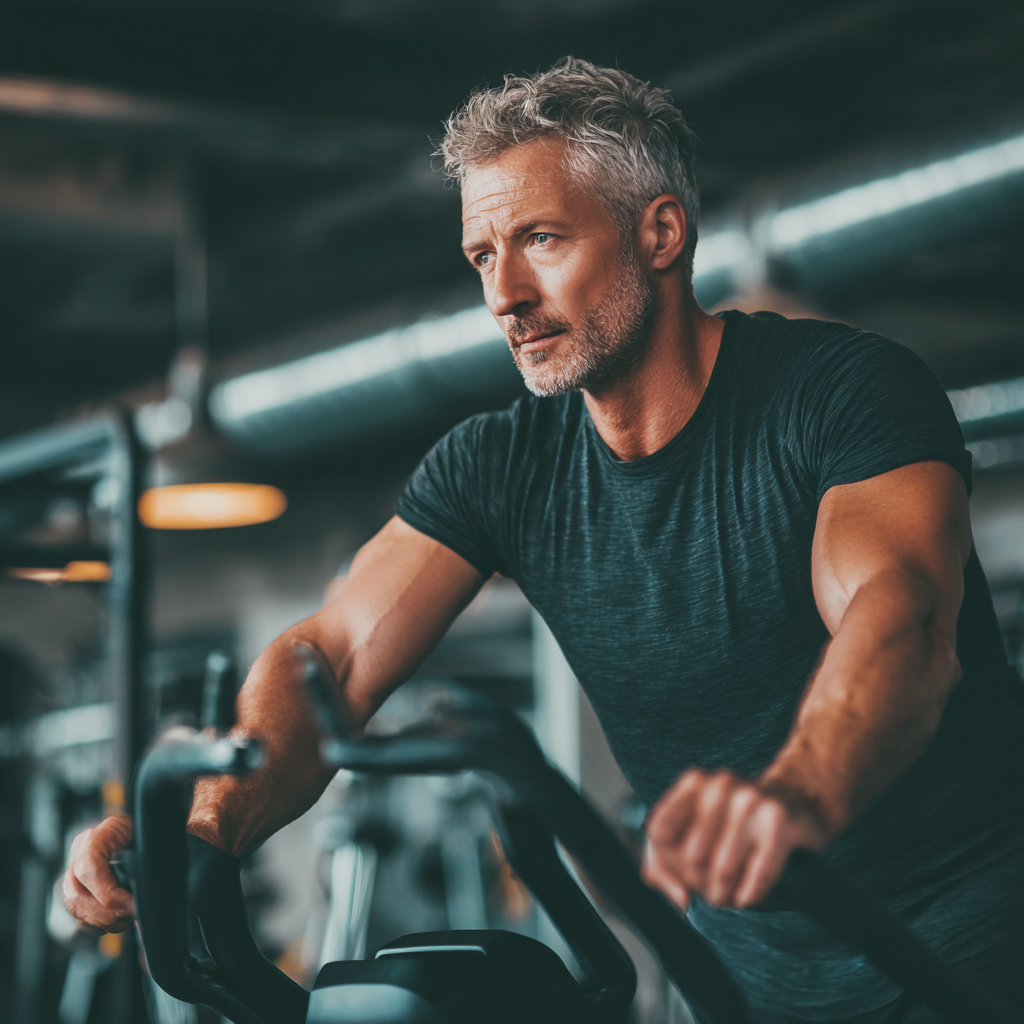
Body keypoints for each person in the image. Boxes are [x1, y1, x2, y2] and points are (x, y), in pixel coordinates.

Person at [63, 59, 1023, 1024]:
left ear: (660, 232)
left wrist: (801, 795)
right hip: (745, 980)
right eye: (483, 255)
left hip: (972, 953)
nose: (505, 295)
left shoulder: (838, 393)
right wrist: (200, 829)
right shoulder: (502, 465)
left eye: (540, 239)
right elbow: (334, 654)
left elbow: (899, 613)